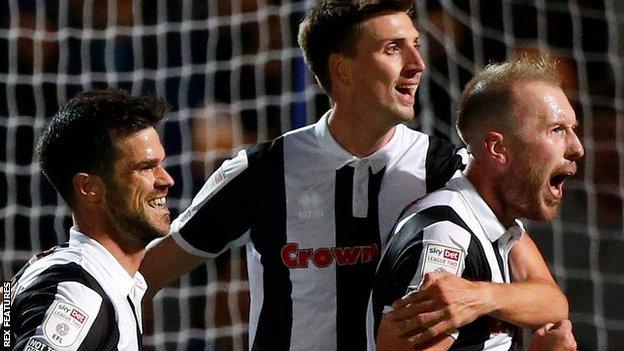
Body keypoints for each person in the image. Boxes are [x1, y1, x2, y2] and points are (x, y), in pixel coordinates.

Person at [139, 1, 567, 350]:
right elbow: (145, 276)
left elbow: (548, 296)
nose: (418, 64)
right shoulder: (263, 172)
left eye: (416, 45)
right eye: (394, 48)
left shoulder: (446, 169)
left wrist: (479, 297)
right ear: (342, 69)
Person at [369, 55, 582, 350]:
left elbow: (553, 301)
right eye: (557, 130)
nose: (577, 148)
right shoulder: (447, 237)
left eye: (573, 129)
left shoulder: (496, 222)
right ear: (498, 148)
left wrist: (481, 297)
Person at [10, 89, 174, 351]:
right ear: (89, 187)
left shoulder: (94, 277)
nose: (166, 180)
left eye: (161, 164)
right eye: (145, 167)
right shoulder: (80, 295)